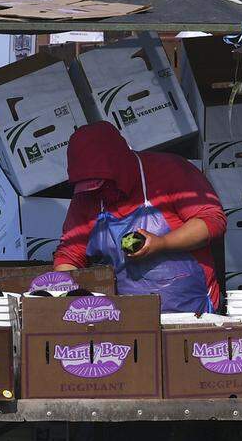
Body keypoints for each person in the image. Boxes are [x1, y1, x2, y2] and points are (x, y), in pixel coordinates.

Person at [53, 122, 226, 313]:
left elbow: (211, 221)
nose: (97, 192)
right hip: (126, 318)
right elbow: (69, 254)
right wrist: (63, 297)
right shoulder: (86, 198)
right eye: (89, 187)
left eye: (101, 184)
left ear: (120, 165)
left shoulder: (170, 170)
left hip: (192, 313)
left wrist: (162, 243)